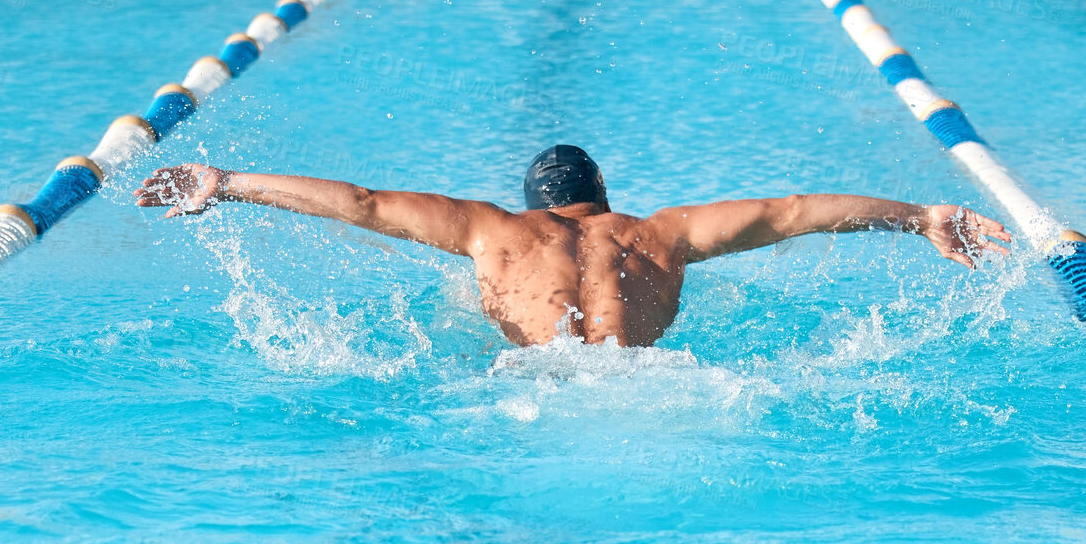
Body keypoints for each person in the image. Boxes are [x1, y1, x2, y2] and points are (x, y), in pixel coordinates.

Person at [135, 144, 1011, 348]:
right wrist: (917, 215)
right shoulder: (660, 233)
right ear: (602, 197)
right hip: (653, 391)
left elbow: (360, 204)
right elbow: (791, 212)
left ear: (535, 203)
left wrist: (231, 186)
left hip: (532, 393)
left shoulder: (490, 230)